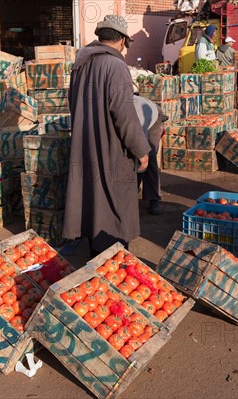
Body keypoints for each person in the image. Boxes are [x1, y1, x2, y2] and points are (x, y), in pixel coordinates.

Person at [63, 15, 151, 257]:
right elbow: (124, 115)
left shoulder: (81, 64)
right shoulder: (116, 66)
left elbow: (74, 103)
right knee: (115, 203)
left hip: (85, 142)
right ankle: (113, 263)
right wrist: (141, 150)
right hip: (111, 147)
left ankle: (97, 257)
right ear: (122, 40)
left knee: (92, 199)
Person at [133, 95, 168, 215]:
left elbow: (143, 151)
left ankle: (154, 198)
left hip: (154, 119)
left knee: (149, 157)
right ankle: (130, 195)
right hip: (141, 117)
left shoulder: (138, 117)